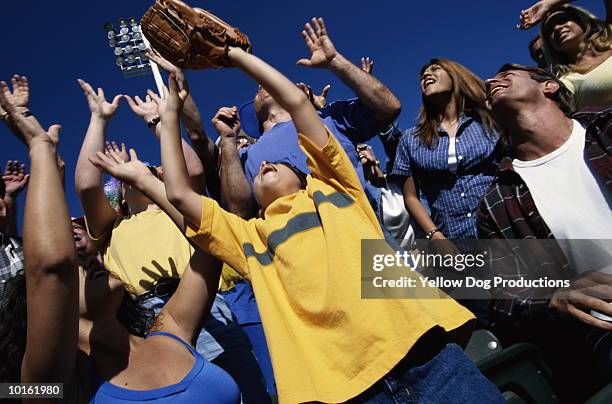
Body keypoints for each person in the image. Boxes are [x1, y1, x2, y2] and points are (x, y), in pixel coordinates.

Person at [110, 32, 505, 400]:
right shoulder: (251, 237)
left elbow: (300, 105)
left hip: (423, 355)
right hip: (344, 389)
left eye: (278, 164)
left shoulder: (336, 190)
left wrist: (234, 56)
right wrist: (167, 122)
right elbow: (179, 193)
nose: (266, 165)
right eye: (261, 166)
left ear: (305, 174)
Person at [0, 77, 240, 402]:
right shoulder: (57, 388)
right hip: (148, 301)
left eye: (81, 261)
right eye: (78, 268)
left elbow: (207, 235)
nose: (85, 262)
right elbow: (55, 261)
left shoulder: (169, 335)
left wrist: (158, 134)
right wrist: (79, 130)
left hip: (207, 301)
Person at [75, 79, 271, 403]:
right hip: (149, 316)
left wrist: (159, 122)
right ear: (120, 194)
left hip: (210, 299)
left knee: (249, 391)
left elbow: (191, 168)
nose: (146, 172)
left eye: (154, 168)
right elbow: (87, 185)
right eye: (130, 178)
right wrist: (99, 121)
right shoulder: (114, 225)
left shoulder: (175, 207)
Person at [478, 63, 612, 401]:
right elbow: (503, 298)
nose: (492, 80)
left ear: (549, 86)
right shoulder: (497, 202)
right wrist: (553, 300)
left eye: (507, 75)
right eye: (490, 83)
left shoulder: (606, 128)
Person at [232, 17, 402, 219]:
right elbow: (238, 212)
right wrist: (226, 141)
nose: (262, 86)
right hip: (292, 243)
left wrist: (335, 62)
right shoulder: (246, 155)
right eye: (258, 89)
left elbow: (388, 107)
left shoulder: (329, 117)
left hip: (360, 233)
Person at [391, 59, 501, 242]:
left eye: (435, 69)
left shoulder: (488, 121)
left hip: (502, 230)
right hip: (452, 240)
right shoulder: (411, 139)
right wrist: (435, 236)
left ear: (455, 76)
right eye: (423, 75)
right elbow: (410, 196)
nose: (426, 74)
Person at [519, 0, 612, 109]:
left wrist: (549, 4)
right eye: (550, 30)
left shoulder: (610, 37)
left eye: (562, 20)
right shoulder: (565, 83)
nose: (557, 28)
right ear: (551, 45)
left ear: (580, 21)